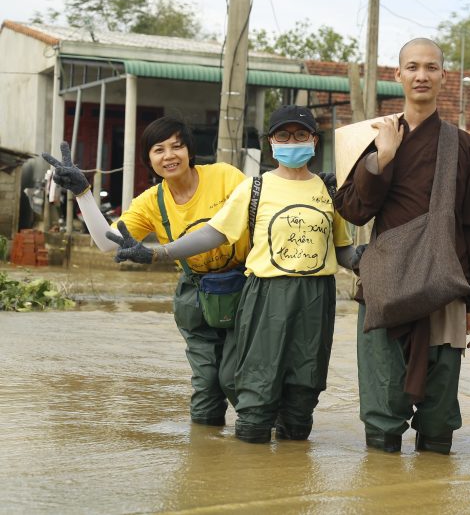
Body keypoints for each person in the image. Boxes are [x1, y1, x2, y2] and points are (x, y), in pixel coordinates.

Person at [107, 105, 354, 444]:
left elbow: (344, 250)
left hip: (317, 301)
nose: (292, 141)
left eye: (301, 135)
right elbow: (215, 233)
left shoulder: (328, 191)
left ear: (314, 140)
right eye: (283, 135)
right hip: (264, 295)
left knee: (303, 392)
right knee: (251, 386)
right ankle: (238, 471)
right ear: (270, 143)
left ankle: (293, 480)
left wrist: (375, 260)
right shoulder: (254, 188)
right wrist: (156, 253)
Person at [335, 38, 470, 455]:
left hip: (443, 283)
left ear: (445, 76)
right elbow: (353, 211)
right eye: (412, 67)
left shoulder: (464, 146)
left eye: (430, 67)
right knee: (382, 401)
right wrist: (380, 161)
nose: (421, 75)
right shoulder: (372, 138)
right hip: (386, 285)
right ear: (398, 75)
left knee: (440, 409)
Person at [43, 117, 248, 427]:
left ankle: (263, 439)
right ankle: (205, 457)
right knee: (206, 385)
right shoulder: (151, 202)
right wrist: (83, 192)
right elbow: (106, 242)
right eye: (159, 150)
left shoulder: (226, 177)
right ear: (148, 160)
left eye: (177, 146)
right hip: (196, 295)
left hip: (244, 286)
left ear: (190, 151)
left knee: (236, 377)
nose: (169, 156)